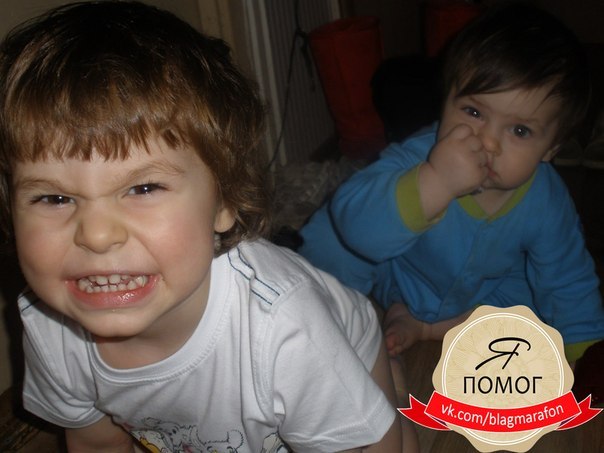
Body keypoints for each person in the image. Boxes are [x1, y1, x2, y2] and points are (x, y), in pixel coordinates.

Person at [0, 2, 413, 452]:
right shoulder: (50, 326)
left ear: (225, 199)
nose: (96, 236)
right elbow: (96, 443)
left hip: (343, 358)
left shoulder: (286, 328)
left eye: (143, 188)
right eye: (54, 198)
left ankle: (388, 386)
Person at [299, 2, 604, 364]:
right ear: (445, 101)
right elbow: (358, 228)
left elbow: (568, 279)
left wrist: (587, 353)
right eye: (473, 112)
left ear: (551, 148)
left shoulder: (547, 199)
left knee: (535, 314)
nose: (488, 142)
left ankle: (427, 326)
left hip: (483, 294)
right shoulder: (420, 155)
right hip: (397, 274)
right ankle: (319, 311)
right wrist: (436, 181)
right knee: (335, 234)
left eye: (520, 131)